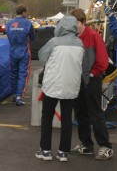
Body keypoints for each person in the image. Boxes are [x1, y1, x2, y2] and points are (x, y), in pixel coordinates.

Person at [35, 15, 84, 162]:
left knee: (47, 117)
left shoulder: (54, 42)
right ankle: (63, 152)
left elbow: (41, 57)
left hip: (52, 86)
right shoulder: (80, 43)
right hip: (71, 87)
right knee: (67, 119)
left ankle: (45, 150)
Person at [70, 8, 113, 160]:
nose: (73, 26)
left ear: (82, 22)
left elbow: (102, 61)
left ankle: (106, 147)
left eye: (75, 23)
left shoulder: (94, 36)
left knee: (95, 113)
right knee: (80, 112)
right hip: (78, 80)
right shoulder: (73, 38)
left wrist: (92, 74)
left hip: (92, 80)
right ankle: (86, 145)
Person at [6, 4, 35, 106]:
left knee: (13, 74)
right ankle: (19, 96)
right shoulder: (27, 23)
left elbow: (8, 36)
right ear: (23, 13)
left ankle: (14, 94)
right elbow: (32, 37)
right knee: (23, 74)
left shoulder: (9, 23)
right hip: (24, 52)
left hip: (13, 51)